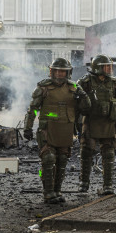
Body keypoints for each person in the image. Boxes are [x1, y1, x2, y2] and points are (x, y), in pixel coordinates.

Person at [23, 58, 92, 204]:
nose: (59, 74)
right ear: (51, 71)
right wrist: (27, 128)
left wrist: (83, 97)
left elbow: (86, 109)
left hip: (66, 129)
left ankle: (57, 191)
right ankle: (47, 192)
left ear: (68, 73)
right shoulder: (43, 88)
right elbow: (32, 110)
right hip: (47, 130)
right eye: (57, 71)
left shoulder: (74, 88)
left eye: (62, 71)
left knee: (62, 161)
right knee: (47, 160)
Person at [77, 54, 116, 195]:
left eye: (109, 66)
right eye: (105, 67)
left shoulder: (115, 83)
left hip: (108, 121)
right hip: (91, 121)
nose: (109, 69)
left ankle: (108, 185)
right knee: (86, 152)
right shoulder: (85, 82)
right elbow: (75, 102)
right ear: (97, 68)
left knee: (109, 153)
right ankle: (84, 183)